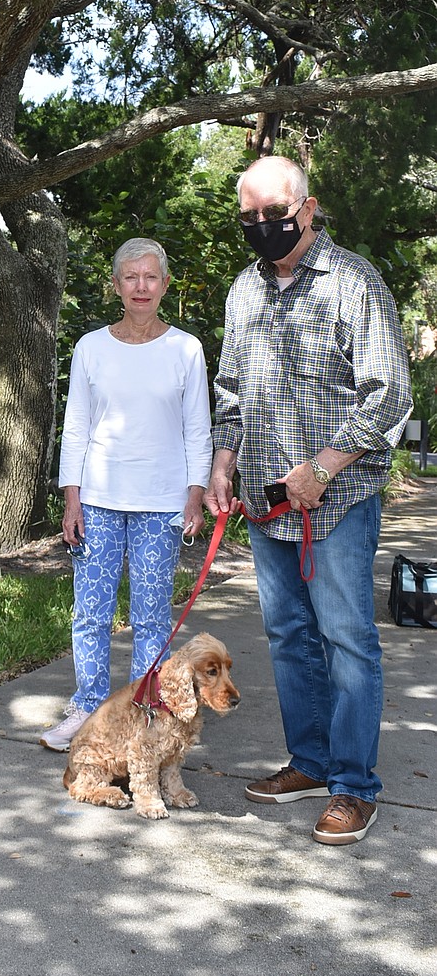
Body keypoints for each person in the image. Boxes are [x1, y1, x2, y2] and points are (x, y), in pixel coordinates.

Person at [205, 155, 412, 845]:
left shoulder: (355, 281)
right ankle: (311, 763)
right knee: (289, 638)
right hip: (267, 505)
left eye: (276, 213)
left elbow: (390, 394)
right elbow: (231, 390)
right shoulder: (244, 289)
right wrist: (223, 465)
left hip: (339, 499)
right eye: (250, 217)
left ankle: (354, 786)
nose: (263, 225)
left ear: (309, 208)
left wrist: (322, 468)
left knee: (346, 640)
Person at [40, 237, 212, 751]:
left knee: (152, 617)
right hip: (97, 500)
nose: (141, 286)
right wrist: (72, 499)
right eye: (131, 277)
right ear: (116, 285)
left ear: (164, 285)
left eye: (150, 276)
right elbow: (75, 427)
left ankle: (144, 716)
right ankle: (88, 708)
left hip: (161, 504)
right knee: (90, 612)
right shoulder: (91, 348)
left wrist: (195, 496)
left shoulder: (186, 349)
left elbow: (197, 429)